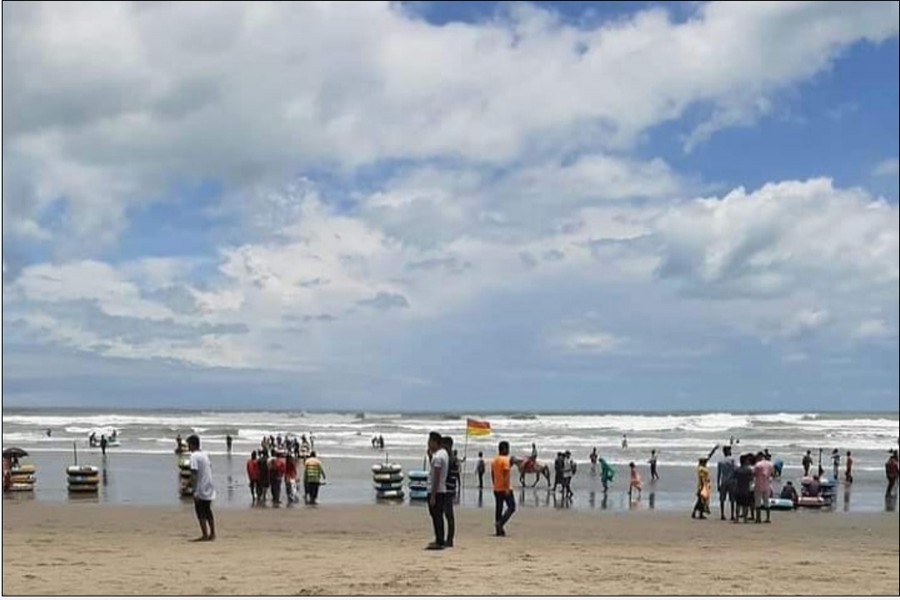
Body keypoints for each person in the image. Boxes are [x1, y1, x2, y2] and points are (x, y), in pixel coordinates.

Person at [187, 434, 216, 541]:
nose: (188, 447)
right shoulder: (205, 454)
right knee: (208, 510)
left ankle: (204, 534)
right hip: (209, 484)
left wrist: (194, 489)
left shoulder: (194, 456)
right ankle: (212, 533)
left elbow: (194, 473)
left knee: (200, 511)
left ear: (192, 445)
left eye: (188, 445)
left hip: (200, 486)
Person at [426, 431, 450, 550]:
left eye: (430, 442)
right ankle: (439, 539)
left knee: (436, 516)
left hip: (436, 490)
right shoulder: (443, 453)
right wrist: (430, 455)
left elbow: (436, 476)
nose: (428, 444)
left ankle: (439, 541)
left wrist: (433, 496)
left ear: (435, 442)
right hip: (441, 489)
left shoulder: (438, 457)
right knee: (437, 516)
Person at [492, 440, 516, 537]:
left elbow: (493, 474)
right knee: (512, 507)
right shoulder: (505, 460)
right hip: (505, 488)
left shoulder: (494, 460)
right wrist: (506, 488)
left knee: (499, 508)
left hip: (497, 488)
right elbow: (506, 474)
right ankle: (500, 523)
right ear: (505, 449)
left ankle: (499, 530)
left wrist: (494, 484)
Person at [442, 437, 458, 547]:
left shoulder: (450, 458)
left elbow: (445, 474)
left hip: (447, 489)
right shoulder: (452, 458)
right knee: (448, 515)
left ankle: (449, 539)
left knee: (449, 515)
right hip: (450, 488)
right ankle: (448, 538)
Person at [717, 446, 736, 521]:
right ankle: (732, 515)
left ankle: (722, 514)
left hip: (723, 481)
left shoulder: (721, 461)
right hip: (731, 481)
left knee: (722, 499)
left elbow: (719, 474)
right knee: (732, 499)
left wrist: (718, 483)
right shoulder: (732, 460)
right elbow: (735, 470)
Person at [753, 451, 773, 524]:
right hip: (767, 485)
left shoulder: (757, 465)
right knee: (766, 502)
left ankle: (758, 518)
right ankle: (768, 518)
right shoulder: (770, 464)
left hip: (758, 485)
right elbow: (772, 474)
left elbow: (753, 474)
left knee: (758, 503)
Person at [734, 454, 754, 523]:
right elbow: (751, 479)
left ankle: (736, 518)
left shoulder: (737, 470)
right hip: (746, 489)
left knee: (738, 505)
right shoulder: (748, 470)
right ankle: (745, 519)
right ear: (745, 461)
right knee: (745, 505)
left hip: (738, 489)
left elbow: (734, 478)